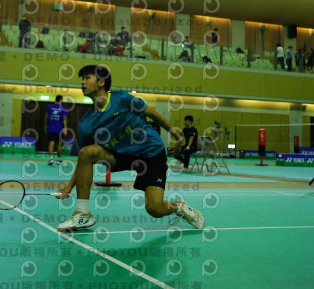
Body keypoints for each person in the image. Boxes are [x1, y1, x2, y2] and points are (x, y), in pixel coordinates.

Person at [55, 65, 205, 232]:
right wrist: (68, 187)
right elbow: (83, 160)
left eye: (87, 78)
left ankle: (180, 208)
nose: (82, 82)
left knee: (154, 209)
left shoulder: (122, 98)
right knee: (86, 152)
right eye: (82, 79)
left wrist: (176, 136)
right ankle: (82, 213)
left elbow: (152, 113)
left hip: (151, 152)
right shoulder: (86, 123)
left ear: (101, 82)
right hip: (123, 155)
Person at [45, 95, 68, 165]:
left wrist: (45, 126)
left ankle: (51, 159)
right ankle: (58, 160)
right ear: (61, 100)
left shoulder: (49, 107)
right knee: (59, 144)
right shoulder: (63, 108)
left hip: (50, 128)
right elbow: (64, 118)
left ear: (55, 99)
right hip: (60, 129)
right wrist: (65, 128)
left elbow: (46, 117)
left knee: (51, 143)